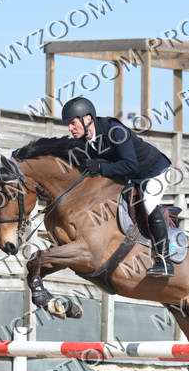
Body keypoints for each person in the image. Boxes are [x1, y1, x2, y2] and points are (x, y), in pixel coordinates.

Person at [61, 96, 175, 277]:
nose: (70, 128)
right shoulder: (85, 141)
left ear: (87, 119)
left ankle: (164, 260)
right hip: (131, 176)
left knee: (149, 203)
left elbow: (131, 165)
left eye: (73, 123)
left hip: (154, 170)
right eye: (68, 124)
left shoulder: (115, 131)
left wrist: (100, 167)